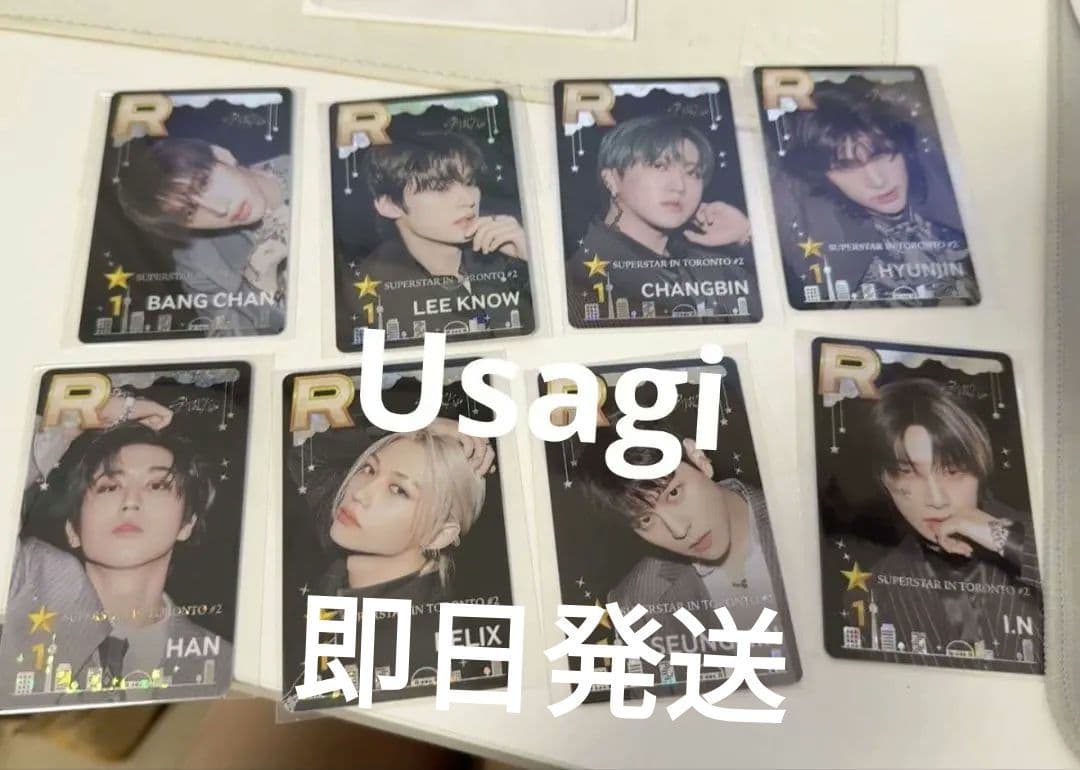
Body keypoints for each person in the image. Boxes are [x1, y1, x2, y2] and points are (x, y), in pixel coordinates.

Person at [0, 394, 229, 704]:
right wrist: (85, 415)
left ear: (187, 523)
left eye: (156, 485)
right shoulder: (28, 579)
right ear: (73, 529)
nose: (131, 501)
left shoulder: (224, 663)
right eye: (109, 486)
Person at [575, 427, 795, 673]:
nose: (679, 530)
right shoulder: (638, 603)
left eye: (674, 493)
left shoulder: (806, 522)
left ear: (698, 459)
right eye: (646, 520)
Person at [860, 378, 1041, 662]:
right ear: (884, 478)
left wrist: (1004, 538)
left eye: (953, 471)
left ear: (979, 469)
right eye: (908, 472)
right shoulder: (880, 585)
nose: (936, 499)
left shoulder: (1045, 537)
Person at [781, 81, 978, 303]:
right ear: (824, 176)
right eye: (846, 167)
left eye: (882, 155)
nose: (877, 181)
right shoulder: (828, 250)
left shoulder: (959, 212)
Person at [567, 114, 757, 325]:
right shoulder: (580, 280)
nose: (679, 186)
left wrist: (745, 235)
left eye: (693, 173)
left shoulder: (707, 264)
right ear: (611, 179)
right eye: (659, 166)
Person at [353, 131, 531, 336]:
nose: (468, 200)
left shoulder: (506, 257)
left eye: (469, 182)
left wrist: (531, 262)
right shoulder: (371, 291)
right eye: (440, 187)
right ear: (390, 205)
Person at [117, 137, 290, 334]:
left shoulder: (309, 157)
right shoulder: (198, 264)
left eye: (204, 182)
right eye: (190, 213)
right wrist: (257, 284)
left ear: (221, 156)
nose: (220, 209)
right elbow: (235, 342)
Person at [314, 429, 488, 604]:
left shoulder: (424, 617)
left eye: (398, 490)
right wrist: (411, 424)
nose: (360, 494)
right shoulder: (329, 577)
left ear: (439, 535)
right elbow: (306, 454)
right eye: (369, 469)